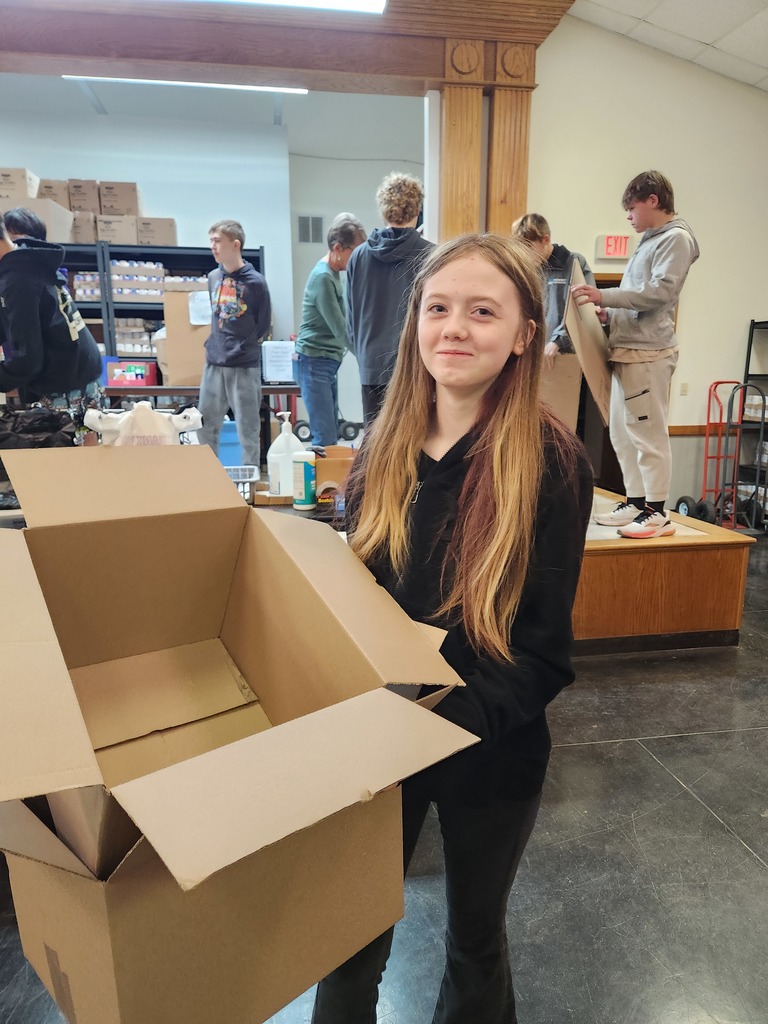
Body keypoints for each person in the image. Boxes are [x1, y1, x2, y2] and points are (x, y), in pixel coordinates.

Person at [311, 233, 594, 1024]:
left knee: (475, 941)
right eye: (438, 308)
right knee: (349, 940)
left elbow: (541, 655)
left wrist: (434, 726)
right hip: (376, 743)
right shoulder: (380, 450)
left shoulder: (550, 462)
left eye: (482, 311)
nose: (455, 329)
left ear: (522, 334)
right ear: (414, 324)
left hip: (489, 751)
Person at [571, 170, 699, 539]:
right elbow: (640, 298)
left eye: (631, 208)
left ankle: (657, 512)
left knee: (648, 434)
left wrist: (603, 296)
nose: (628, 217)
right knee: (624, 436)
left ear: (653, 201)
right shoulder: (650, 239)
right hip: (627, 350)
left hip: (648, 354)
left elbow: (659, 294)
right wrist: (610, 314)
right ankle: (636, 500)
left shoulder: (675, 239)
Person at [345, 172, 433, 425]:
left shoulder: (359, 257)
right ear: (418, 209)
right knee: (415, 447)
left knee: (374, 445)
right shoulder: (432, 257)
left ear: (383, 211)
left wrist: (365, 355)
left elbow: (350, 324)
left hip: (370, 366)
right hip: (415, 370)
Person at [0, 209, 103, 426]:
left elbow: (28, 359)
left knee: (67, 458)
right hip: (76, 376)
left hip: (68, 386)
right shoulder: (26, 262)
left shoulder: (19, 278)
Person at [198, 219, 271, 470]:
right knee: (205, 425)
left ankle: (249, 485)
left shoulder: (256, 282)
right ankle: (208, 478)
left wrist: (242, 345)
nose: (213, 247)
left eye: (217, 241)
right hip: (214, 361)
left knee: (248, 428)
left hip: (243, 363)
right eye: (211, 241)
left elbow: (263, 324)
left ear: (235, 244)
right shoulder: (212, 278)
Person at [294, 213, 366, 445]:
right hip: (314, 362)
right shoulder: (323, 277)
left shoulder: (333, 274)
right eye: (355, 252)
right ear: (338, 248)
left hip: (324, 361)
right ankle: (319, 482)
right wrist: (366, 357)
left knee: (330, 433)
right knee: (324, 436)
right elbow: (340, 327)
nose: (359, 258)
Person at [512, 212, 596, 371]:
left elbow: (584, 308)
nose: (524, 254)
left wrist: (558, 340)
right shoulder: (527, 269)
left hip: (565, 352)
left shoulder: (573, 262)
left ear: (545, 240)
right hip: (533, 352)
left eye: (528, 247)